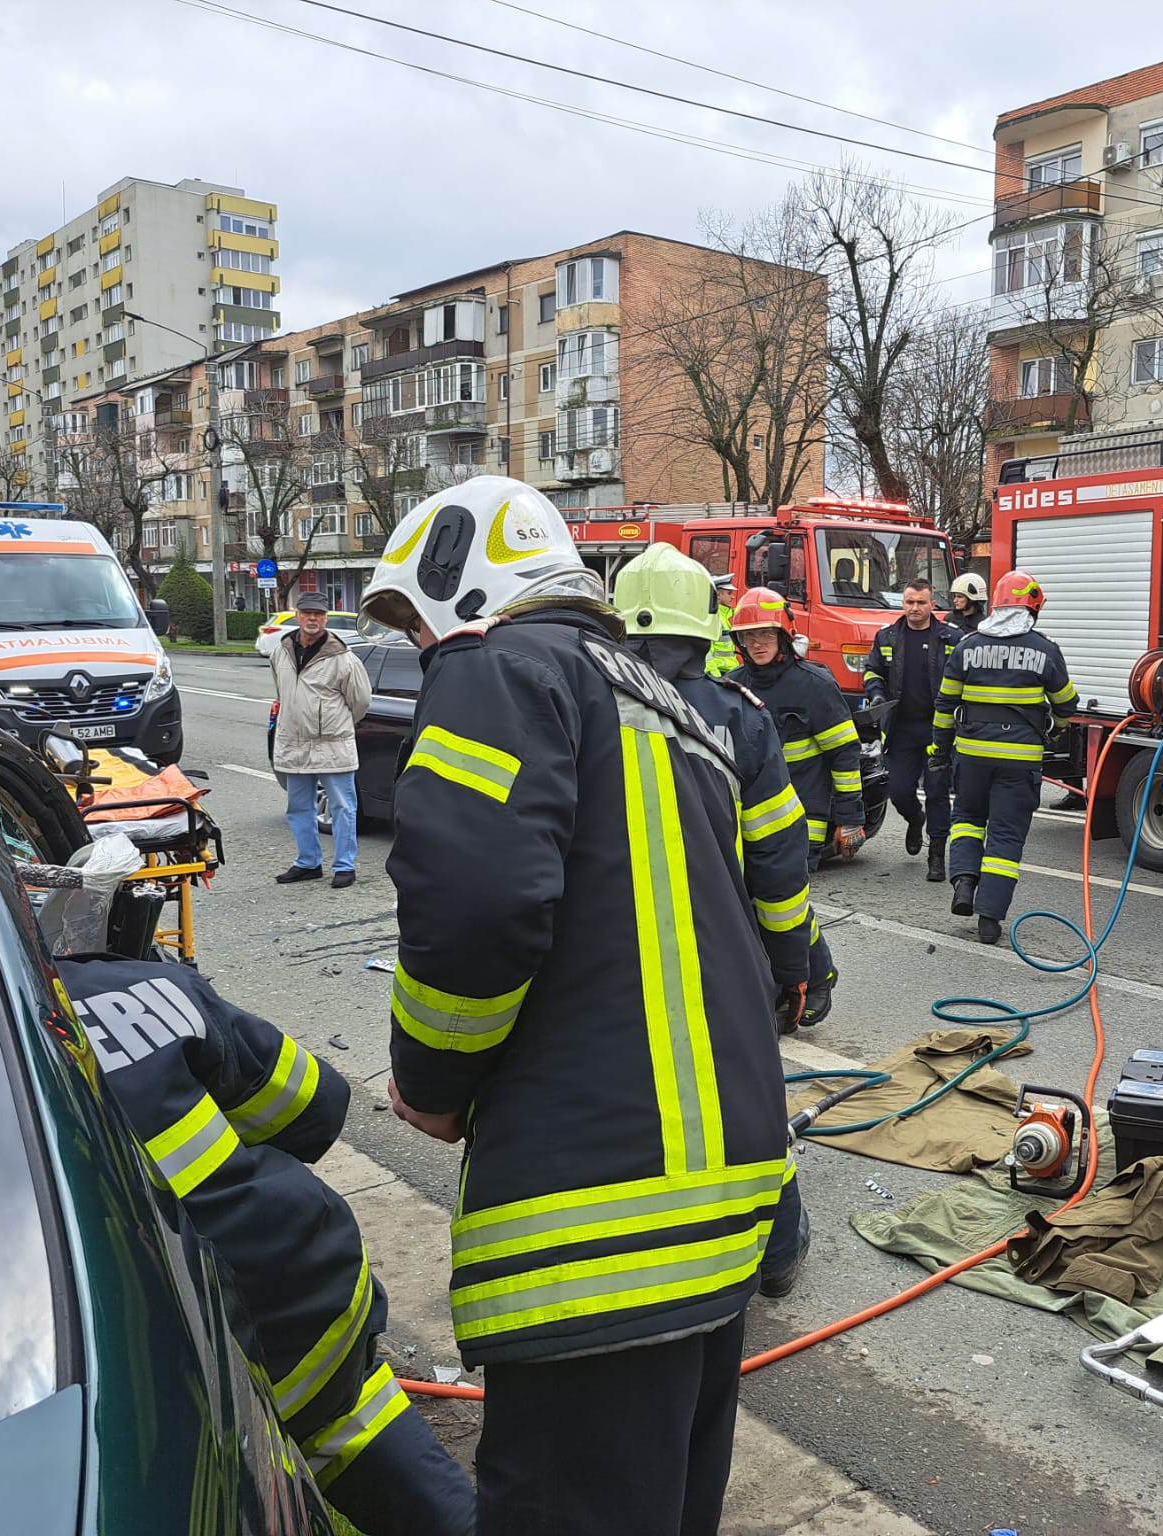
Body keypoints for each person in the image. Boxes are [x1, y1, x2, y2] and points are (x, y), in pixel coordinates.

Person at [363, 475, 789, 1536]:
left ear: (462, 584)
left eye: (417, 624)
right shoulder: (675, 709)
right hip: (717, 1212)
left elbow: (474, 902)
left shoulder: (496, 665)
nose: (421, 650)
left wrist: (432, 1079)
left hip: (594, 1231)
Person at [51, 951, 475, 1536]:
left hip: (167, 1347)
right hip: (305, 1287)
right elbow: (311, 1108)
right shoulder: (141, 988)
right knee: (351, 1422)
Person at [612, 542, 828, 1295]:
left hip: (612, 951)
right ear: (708, 631)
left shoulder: (576, 705)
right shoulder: (740, 717)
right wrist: (794, 967)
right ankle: (774, 1254)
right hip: (725, 950)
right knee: (749, 1094)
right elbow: (777, 859)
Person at [932, 571, 1078, 945]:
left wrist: (940, 749)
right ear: (1031, 608)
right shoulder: (1045, 650)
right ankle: (990, 919)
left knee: (966, 819)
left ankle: (964, 884)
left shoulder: (967, 646)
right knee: (1005, 836)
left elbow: (946, 702)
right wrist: (1057, 725)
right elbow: (1067, 703)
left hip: (972, 756)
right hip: (1019, 760)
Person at [729, 588, 864, 869]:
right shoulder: (731, 687)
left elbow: (844, 754)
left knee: (791, 899)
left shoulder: (814, 685)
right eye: (749, 636)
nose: (758, 644)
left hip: (803, 815)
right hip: (747, 817)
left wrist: (850, 819)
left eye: (767, 634)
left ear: (783, 635)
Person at [861, 579, 962, 882]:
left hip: (938, 730)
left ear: (933, 605)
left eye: (921, 602)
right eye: (909, 602)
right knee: (900, 791)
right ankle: (915, 819)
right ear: (902, 604)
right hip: (901, 729)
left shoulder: (952, 638)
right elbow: (872, 671)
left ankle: (936, 855)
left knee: (937, 793)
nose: (914, 608)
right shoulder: (887, 636)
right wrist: (877, 693)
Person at [270, 590, 371, 889]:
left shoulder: (343, 658)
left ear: (325, 618)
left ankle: (344, 866)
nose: (312, 619)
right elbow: (283, 691)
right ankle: (308, 863)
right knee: (299, 807)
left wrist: (334, 723)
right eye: (307, 613)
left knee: (342, 807)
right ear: (297, 615)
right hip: (294, 742)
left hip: (332, 743)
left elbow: (361, 701)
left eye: (318, 614)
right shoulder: (282, 651)